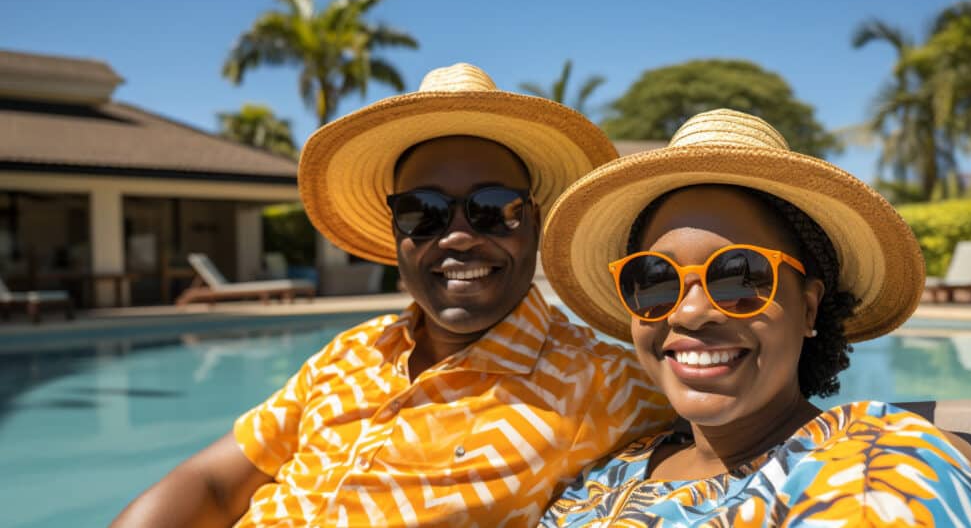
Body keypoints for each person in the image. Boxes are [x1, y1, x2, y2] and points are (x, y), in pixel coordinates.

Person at [111, 63, 675, 527]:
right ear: (397, 233)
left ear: (535, 222)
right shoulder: (348, 354)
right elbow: (211, 483)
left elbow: (738, 437)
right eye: (423, 212)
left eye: (493, 208)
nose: (457, 236)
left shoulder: (607, 383)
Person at [537, 109, 971, 526]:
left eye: (740, 276)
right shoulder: (602, 477)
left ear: (808, 307)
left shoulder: (876, 465)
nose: (692, 312)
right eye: (656, 279)